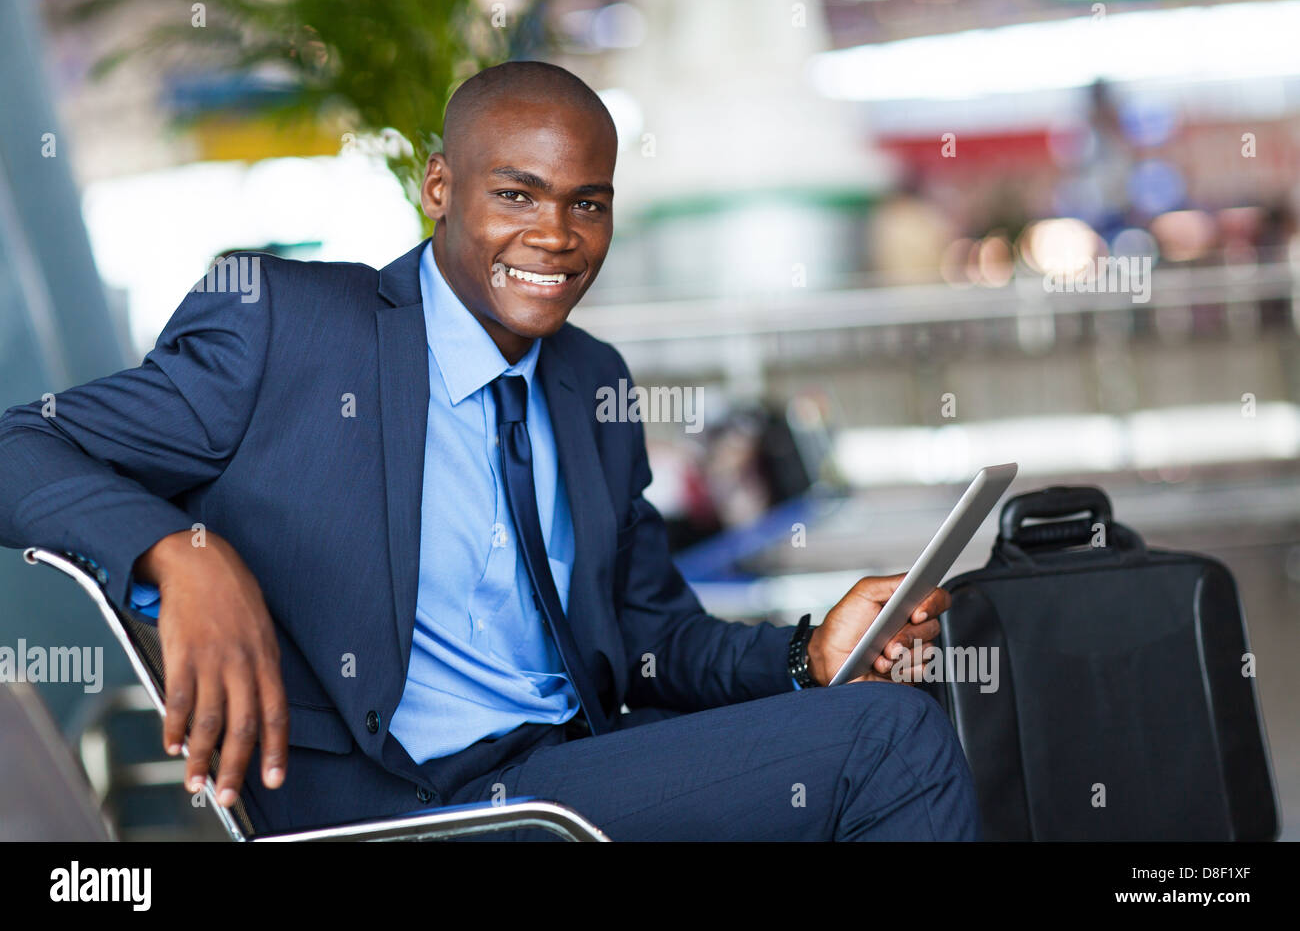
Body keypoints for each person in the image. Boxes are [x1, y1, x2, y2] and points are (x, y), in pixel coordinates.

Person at [0, 61, 980, 840]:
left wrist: (806, 654)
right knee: (888, 744)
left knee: (898, 712)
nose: (554, 236)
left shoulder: (587, 380)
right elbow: (19, 444)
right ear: (438, 187)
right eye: (517, 193)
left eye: (585, 202)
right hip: (399, 807)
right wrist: (182, 552)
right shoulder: (291, 331)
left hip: (561, 773)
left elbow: (647, 643)